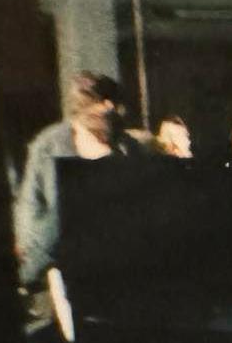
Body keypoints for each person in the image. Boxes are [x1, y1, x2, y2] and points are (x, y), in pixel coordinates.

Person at [15, 71, 144, 288]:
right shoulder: (48, 145)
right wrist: (31, 267)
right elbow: (30, 208)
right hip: (60, 263)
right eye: (101, 104)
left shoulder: (127, 147)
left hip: (116, 264)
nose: (109, 110)